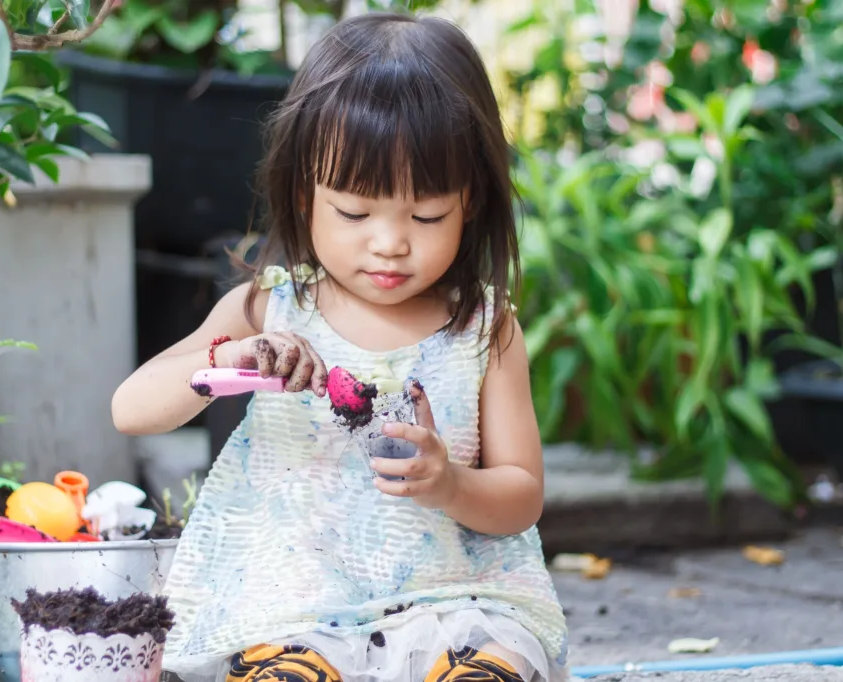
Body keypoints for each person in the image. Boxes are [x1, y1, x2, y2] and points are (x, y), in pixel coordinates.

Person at [111, 11, 569, 682]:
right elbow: (131, 408)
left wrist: (452, 484)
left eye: (426, 215)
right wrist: (225, 362)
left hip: (454, 604)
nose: (390, 242)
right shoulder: (270, 307)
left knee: (486, 671)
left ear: (469, 202)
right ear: (305, 193)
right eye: (355, 213)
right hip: (297, 613)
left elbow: (521, 494)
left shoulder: (483, 329)